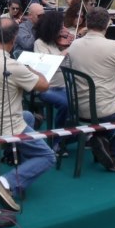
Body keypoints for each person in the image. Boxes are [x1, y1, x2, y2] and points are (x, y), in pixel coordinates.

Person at [0, 17, 54, 212]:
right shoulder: (12, 66)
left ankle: (17, 159)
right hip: (3, 126)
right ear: (14, 38)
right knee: (48, 156)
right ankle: (6, 182)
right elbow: (43, 85)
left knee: (29, 117)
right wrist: (31, 69)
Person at [67, 7, 115, 172]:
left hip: (77, 106)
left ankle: (100, 139)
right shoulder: (114, 46)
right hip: (103, 108)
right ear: (107, 24)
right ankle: (110, 151)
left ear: (87, 23)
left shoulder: (74, 44)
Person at [32, 10, 71, 145]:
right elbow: (46, 64)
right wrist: (65, 52)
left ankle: (73, 134)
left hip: (65, 85)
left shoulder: (56, 42)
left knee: (81, 100)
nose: (63, 30)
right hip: (48, 87)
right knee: (66, 104)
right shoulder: (40, 43)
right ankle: (57, 139)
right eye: (60, 27)